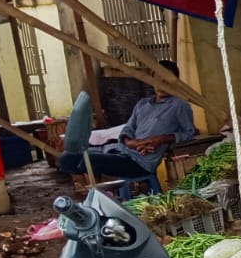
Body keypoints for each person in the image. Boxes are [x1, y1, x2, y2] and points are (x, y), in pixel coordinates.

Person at [58, 60, 196, 179]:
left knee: (89, 161)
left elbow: (189, 133)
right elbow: (128, 128)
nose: (162, 83)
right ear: (152, 79)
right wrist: (132, 143)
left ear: (175, 82)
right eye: (158, 79)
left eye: (167, 80)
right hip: (123, 150)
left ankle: (104, 195)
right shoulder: (143, 104)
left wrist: (161, 139)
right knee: (68, 158)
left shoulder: (180, 105)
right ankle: (97, 192)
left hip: (140, 162)